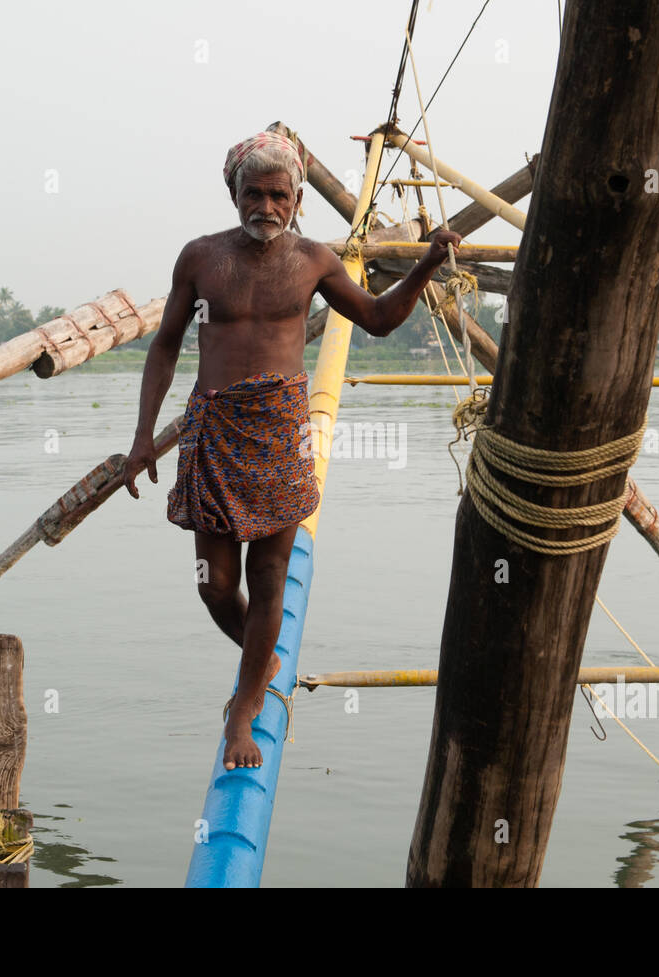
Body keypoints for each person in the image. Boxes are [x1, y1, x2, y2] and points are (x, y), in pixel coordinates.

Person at [124, 128, 461, 771]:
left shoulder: (313, 260)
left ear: (298, 196)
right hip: (216, 432)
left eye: (280, 195)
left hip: (279, 434)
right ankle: (264, 652)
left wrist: (423, 267)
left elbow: (379, 319)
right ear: (234, 193)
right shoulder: (200, 258)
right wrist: (143, 437)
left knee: (269, 579)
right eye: (255, 193)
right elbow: (165, 344)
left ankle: (244, 713)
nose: (267, 207)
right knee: (215, 587)